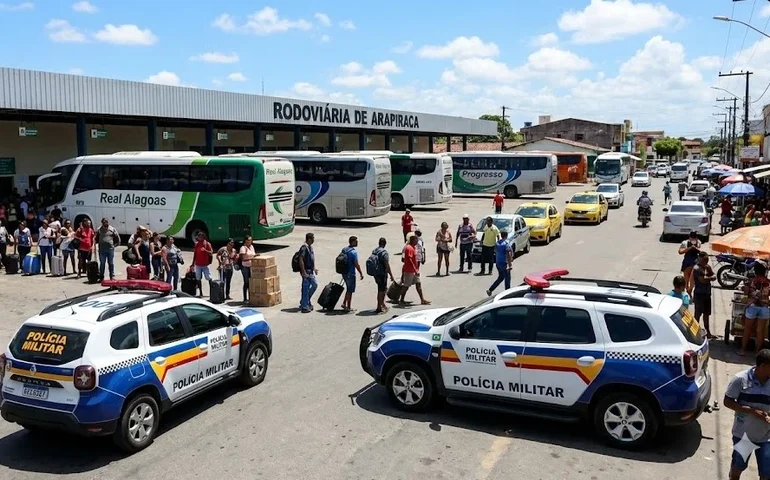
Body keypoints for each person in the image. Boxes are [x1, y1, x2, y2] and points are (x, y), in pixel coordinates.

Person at [723, 350, 770, 480]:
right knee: (738, 467)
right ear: (763, 366)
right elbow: (727, 402)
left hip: (766, 436)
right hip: (744, 435)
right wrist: (752, 411)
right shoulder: (740, 380)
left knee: (767, 472)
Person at [741, 262, 770, 356]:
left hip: (753, 306)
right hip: (764, 308)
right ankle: (758, 352)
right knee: (760, 331)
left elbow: (746, 292)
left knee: (747, 330)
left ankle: (742, 350)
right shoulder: (768, 282)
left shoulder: (752, 280)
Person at [399, 234, 430, 305]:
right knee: (406, 286)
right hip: (409, 270)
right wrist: (415, 269)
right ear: (412, 240)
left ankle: (422, 300)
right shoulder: (409, 248)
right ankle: (401, 300)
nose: (417, 242)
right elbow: (410, 260)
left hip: (414, 270)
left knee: (418, 284)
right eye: (416, 240)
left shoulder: (413, 247)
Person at [692, 251, 716, 339]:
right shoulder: (697, 268)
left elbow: (713, 274)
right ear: (700, 259)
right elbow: (703, 280)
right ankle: (695, 333)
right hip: (699, 295)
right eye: (704, 260)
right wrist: (711, 278)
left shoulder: (707, 266)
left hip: (707, 294)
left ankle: (708, 332)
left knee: (706, 314)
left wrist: (710, 277)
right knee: (697, 314)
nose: (706, 262)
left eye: (707, 260)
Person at [371, 237, 396, 314]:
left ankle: (382, 304)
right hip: (382, 274)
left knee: (381, 289)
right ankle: (379, 307)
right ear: (385, 244)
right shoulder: (384, 252)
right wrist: (391, 275)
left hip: (376, 273)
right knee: (381, 291)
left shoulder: (375, 250)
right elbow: (387, 264)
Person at [340, 236, 364, 312]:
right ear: (352, 242)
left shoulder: (344, 249)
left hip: (344, 272)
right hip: (351, 273)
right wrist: (361, 273)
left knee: (348, 288)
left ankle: (344, 303)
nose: (357, 242)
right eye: (356, 241)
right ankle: (348, 307)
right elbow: (356, 264)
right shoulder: (353, 252)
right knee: (350, 290)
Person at [486, 230, 513, 296]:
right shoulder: (506, 244)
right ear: (506, 236)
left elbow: (495, 250)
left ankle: (490, 290)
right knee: (507, 278)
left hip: (498, 263)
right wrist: (510, 265)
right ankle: (507, 293)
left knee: (501, 277)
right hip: (504, 264)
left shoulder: (497, 243)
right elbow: (508, 254)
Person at [298, 232, 318, 313]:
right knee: (305, 288)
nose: (314, 240)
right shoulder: (304, 248)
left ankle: (305, 300)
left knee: (314, 285)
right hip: (306, 271)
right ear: (309, 239)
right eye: (313, 238)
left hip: (311, 271)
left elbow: (312, 259)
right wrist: (303, 272)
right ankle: (304, 306)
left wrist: (314, 268)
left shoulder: (310, 248)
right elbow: (301, 259)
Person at [678, 231, 701, 298]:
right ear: (689, 237)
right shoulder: (685, 243)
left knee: (693, 280)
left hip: (695, 263)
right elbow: (680, 251)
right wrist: (689, 248)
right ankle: (686, 292)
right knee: (686, 280)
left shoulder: (698, 242)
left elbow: (700, 249)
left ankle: (689, 291)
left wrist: (695, 248)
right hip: (687, 263)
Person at [192, 232, 214, 297]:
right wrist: (192, 263)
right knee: (198, 278)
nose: (200, 237)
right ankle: (201, 293)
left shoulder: (207, 244)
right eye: (199, 236)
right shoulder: (197, 244)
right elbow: (195, 254)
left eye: (201, 236)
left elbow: (211, 252)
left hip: (205, 264)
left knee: (209, 278)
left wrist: (205, 251)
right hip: (198, 264)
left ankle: (212, 292)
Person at [239, 236, 258, 304]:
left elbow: (253, 254)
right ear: (245, 241)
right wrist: (252, 258)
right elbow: (243, 258)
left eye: (250, 240)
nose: (249, 241)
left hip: (251, 266)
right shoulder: (243, 248)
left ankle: (250, 297)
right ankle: (245, 298)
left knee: (251, 282)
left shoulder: (252, 247)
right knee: (246, 282)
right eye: (248, 240)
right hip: (245, 267)